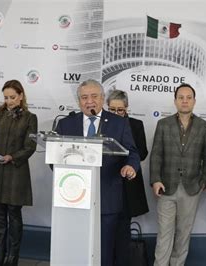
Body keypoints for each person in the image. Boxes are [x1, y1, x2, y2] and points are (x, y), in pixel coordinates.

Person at [55, 79, 140, 266]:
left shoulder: (119, 123)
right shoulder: (65, 124)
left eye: (94, 96)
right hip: (74, 198)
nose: (89, 101)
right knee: (76, 248)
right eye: (84, 97)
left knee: (104, 250)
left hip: (107, 196)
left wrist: (131, 167)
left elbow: (132, 152)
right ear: (79, 101)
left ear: (102, 99)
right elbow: (55, 158)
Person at [149, 83, 206, 266]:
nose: (185, 101)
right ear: (175, 101)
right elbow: (156, 154)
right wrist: (155, 180)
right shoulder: (163, 124)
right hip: (166, 187)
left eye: (188, 97)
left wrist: (204, 180)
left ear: (194, 101)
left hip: (192, 188)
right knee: (164, 234)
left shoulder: (204, 126)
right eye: (181, 97)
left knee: (184, 235)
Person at [0, 79, 38, 266]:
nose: (9, 101)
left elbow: (30, 146)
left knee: (14, 213)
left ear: (21, 96)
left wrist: (13, 157)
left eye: (12, 97)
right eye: (6, 97)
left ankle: (13, 257)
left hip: (16, 171)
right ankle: (0, 255)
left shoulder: (30, 118)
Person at [106, 89, 149, 265]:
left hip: (127, 185)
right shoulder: (101, 124)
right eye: (112, 110)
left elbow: (143, 152)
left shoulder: (136, 124)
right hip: (105, 183)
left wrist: (129, 162)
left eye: (120, 110)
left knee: (123, 231)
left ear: (127, 108)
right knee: (105, 231)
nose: (116, 113)